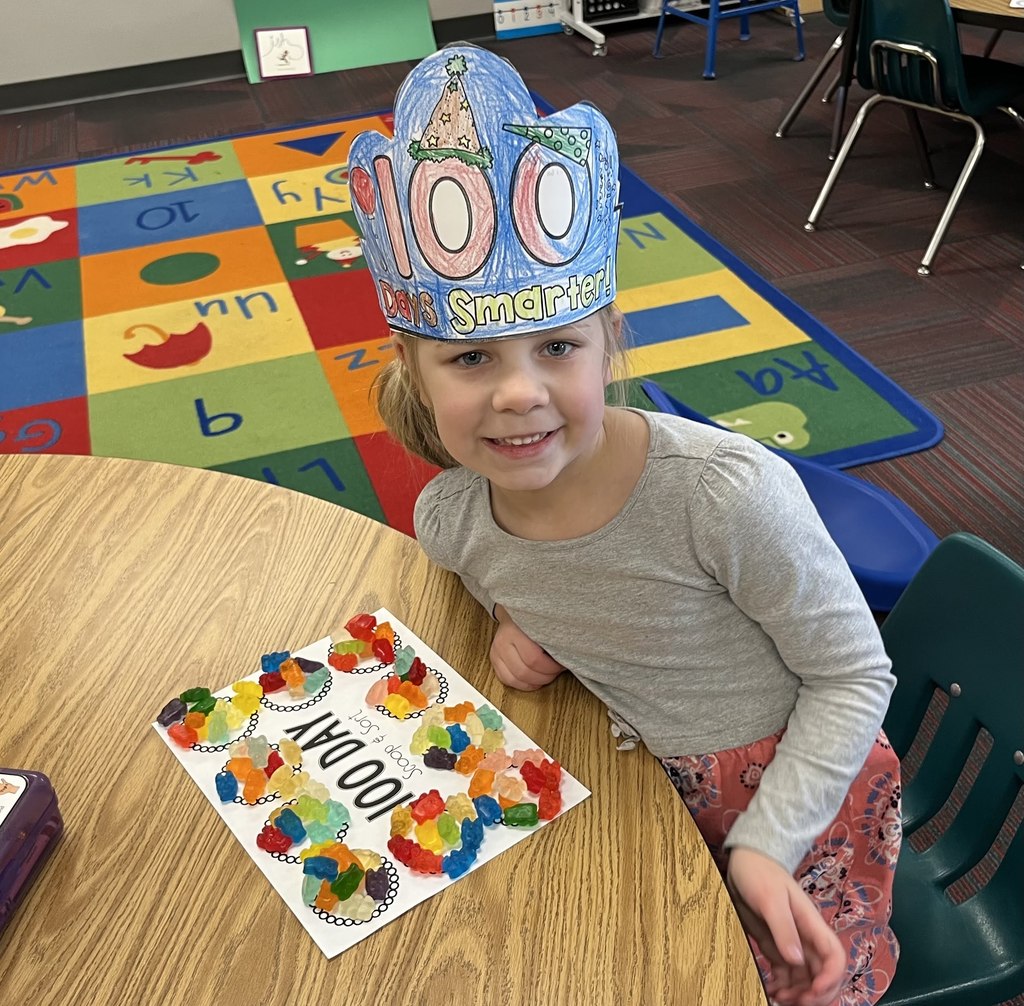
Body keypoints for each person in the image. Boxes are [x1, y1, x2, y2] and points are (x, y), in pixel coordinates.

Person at [349, 44, 902, 1006]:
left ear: (609, 343)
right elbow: (491, 575)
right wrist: (514, 621)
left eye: (557, 346)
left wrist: (771, 844)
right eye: (470, 359)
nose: (520, 393)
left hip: (788, 805)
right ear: (414, 369)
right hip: (626, 786)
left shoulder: (721, 494)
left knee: (781, 980)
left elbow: (855, 673)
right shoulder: (450, 515)